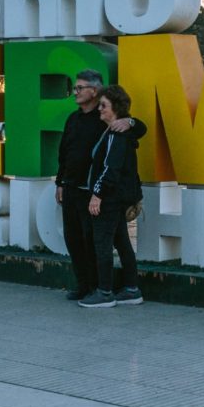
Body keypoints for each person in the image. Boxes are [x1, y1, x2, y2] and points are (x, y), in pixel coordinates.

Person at [55, 70, 146, 301]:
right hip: (71, 188)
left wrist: (130, 121)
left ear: (93, 91)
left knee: (96, 242)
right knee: (73, 239)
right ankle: (85, 286)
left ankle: (101, 288)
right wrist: (60, 182)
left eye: (79, 88)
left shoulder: (109, 121)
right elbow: (64, 152)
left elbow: (138, 131)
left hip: (95, 193)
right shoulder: (73, 119)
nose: (75, 92)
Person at [80, 84, 145, 308]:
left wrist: (97, 194)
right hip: (117, 198)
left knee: (103, 243)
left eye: (104, 106)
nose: (100, 109)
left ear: (116, 108)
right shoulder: (114, 131)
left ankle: (105, 292)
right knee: (122, 242)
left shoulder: (117, 135)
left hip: (110, 199)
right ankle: (131, 289)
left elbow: (110, 169)